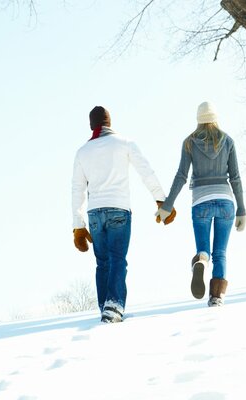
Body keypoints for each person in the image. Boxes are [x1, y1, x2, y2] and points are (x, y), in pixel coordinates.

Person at [72, 106, 176, 323]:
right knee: (118, 259)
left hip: (94, 213)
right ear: (109, 122)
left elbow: (77, 190)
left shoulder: (82, 152)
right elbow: (146, 171)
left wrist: (78, 225)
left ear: (92, 125)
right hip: (119, 209)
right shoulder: (125, 143)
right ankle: (114, 306)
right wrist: (161, 200)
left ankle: (105, 307)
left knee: (102, 262)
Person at [156, 101, 246, 307]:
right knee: (220, 252)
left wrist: (167, 205)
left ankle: (201, 261)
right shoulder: (228, 141)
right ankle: (216, 297)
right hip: (226, 201)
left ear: (198, 120)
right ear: (215, 119)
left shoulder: (189, 142)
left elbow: (181, 176)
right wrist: (242, 209)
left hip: (201, 202)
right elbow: (236, 177)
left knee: (204, 250)